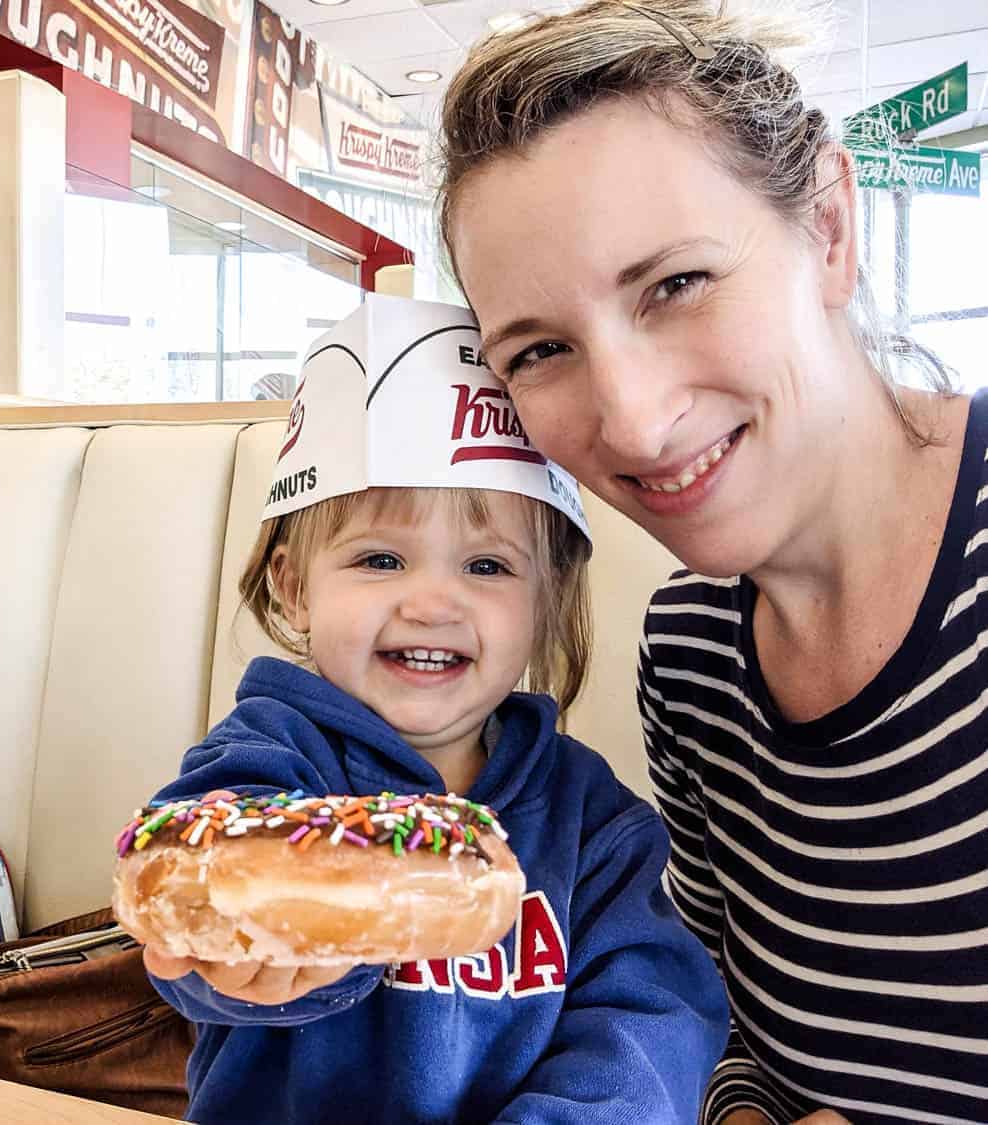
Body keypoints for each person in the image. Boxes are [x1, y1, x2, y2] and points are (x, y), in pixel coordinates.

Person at [436, 3, 985, 1123]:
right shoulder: (687, 651)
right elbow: (727, 1020)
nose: (632, 423)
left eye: (676, 284)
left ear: (828, 227)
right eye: (541, 350)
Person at [141, 295, 729, 1124]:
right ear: (293, 585)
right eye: (381, 558)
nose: (432, 602)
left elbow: (656, 1014)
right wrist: (277, 953)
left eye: (487, 566)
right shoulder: (270, 758)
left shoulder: (590, 821)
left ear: (546, 603)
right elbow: (197, 890)